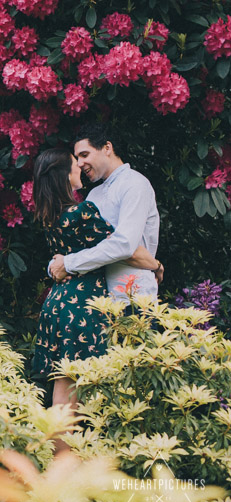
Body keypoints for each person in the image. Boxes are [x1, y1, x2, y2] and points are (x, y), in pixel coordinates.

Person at [31, 148, 160, 454]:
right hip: (81, 304)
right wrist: (156, 265)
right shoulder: (82, 212)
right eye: (74, 164)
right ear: (64, 175)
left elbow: (59, 259)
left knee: (62, 391)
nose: (79, 167)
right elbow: (124, 247)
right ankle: (66, 468)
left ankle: (56, 464)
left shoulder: (50, 215)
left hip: (58, 302)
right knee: (77, 395)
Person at [49, 123, 163, 298]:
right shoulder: (94, 194)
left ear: (107, 148)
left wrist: (69, 263)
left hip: (131, 297)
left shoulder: (135, 184)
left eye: (84, 155)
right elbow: (79, 246)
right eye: (77, 158)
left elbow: (124, 245)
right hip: (96, 301)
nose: (79, 164)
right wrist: (56, 266)